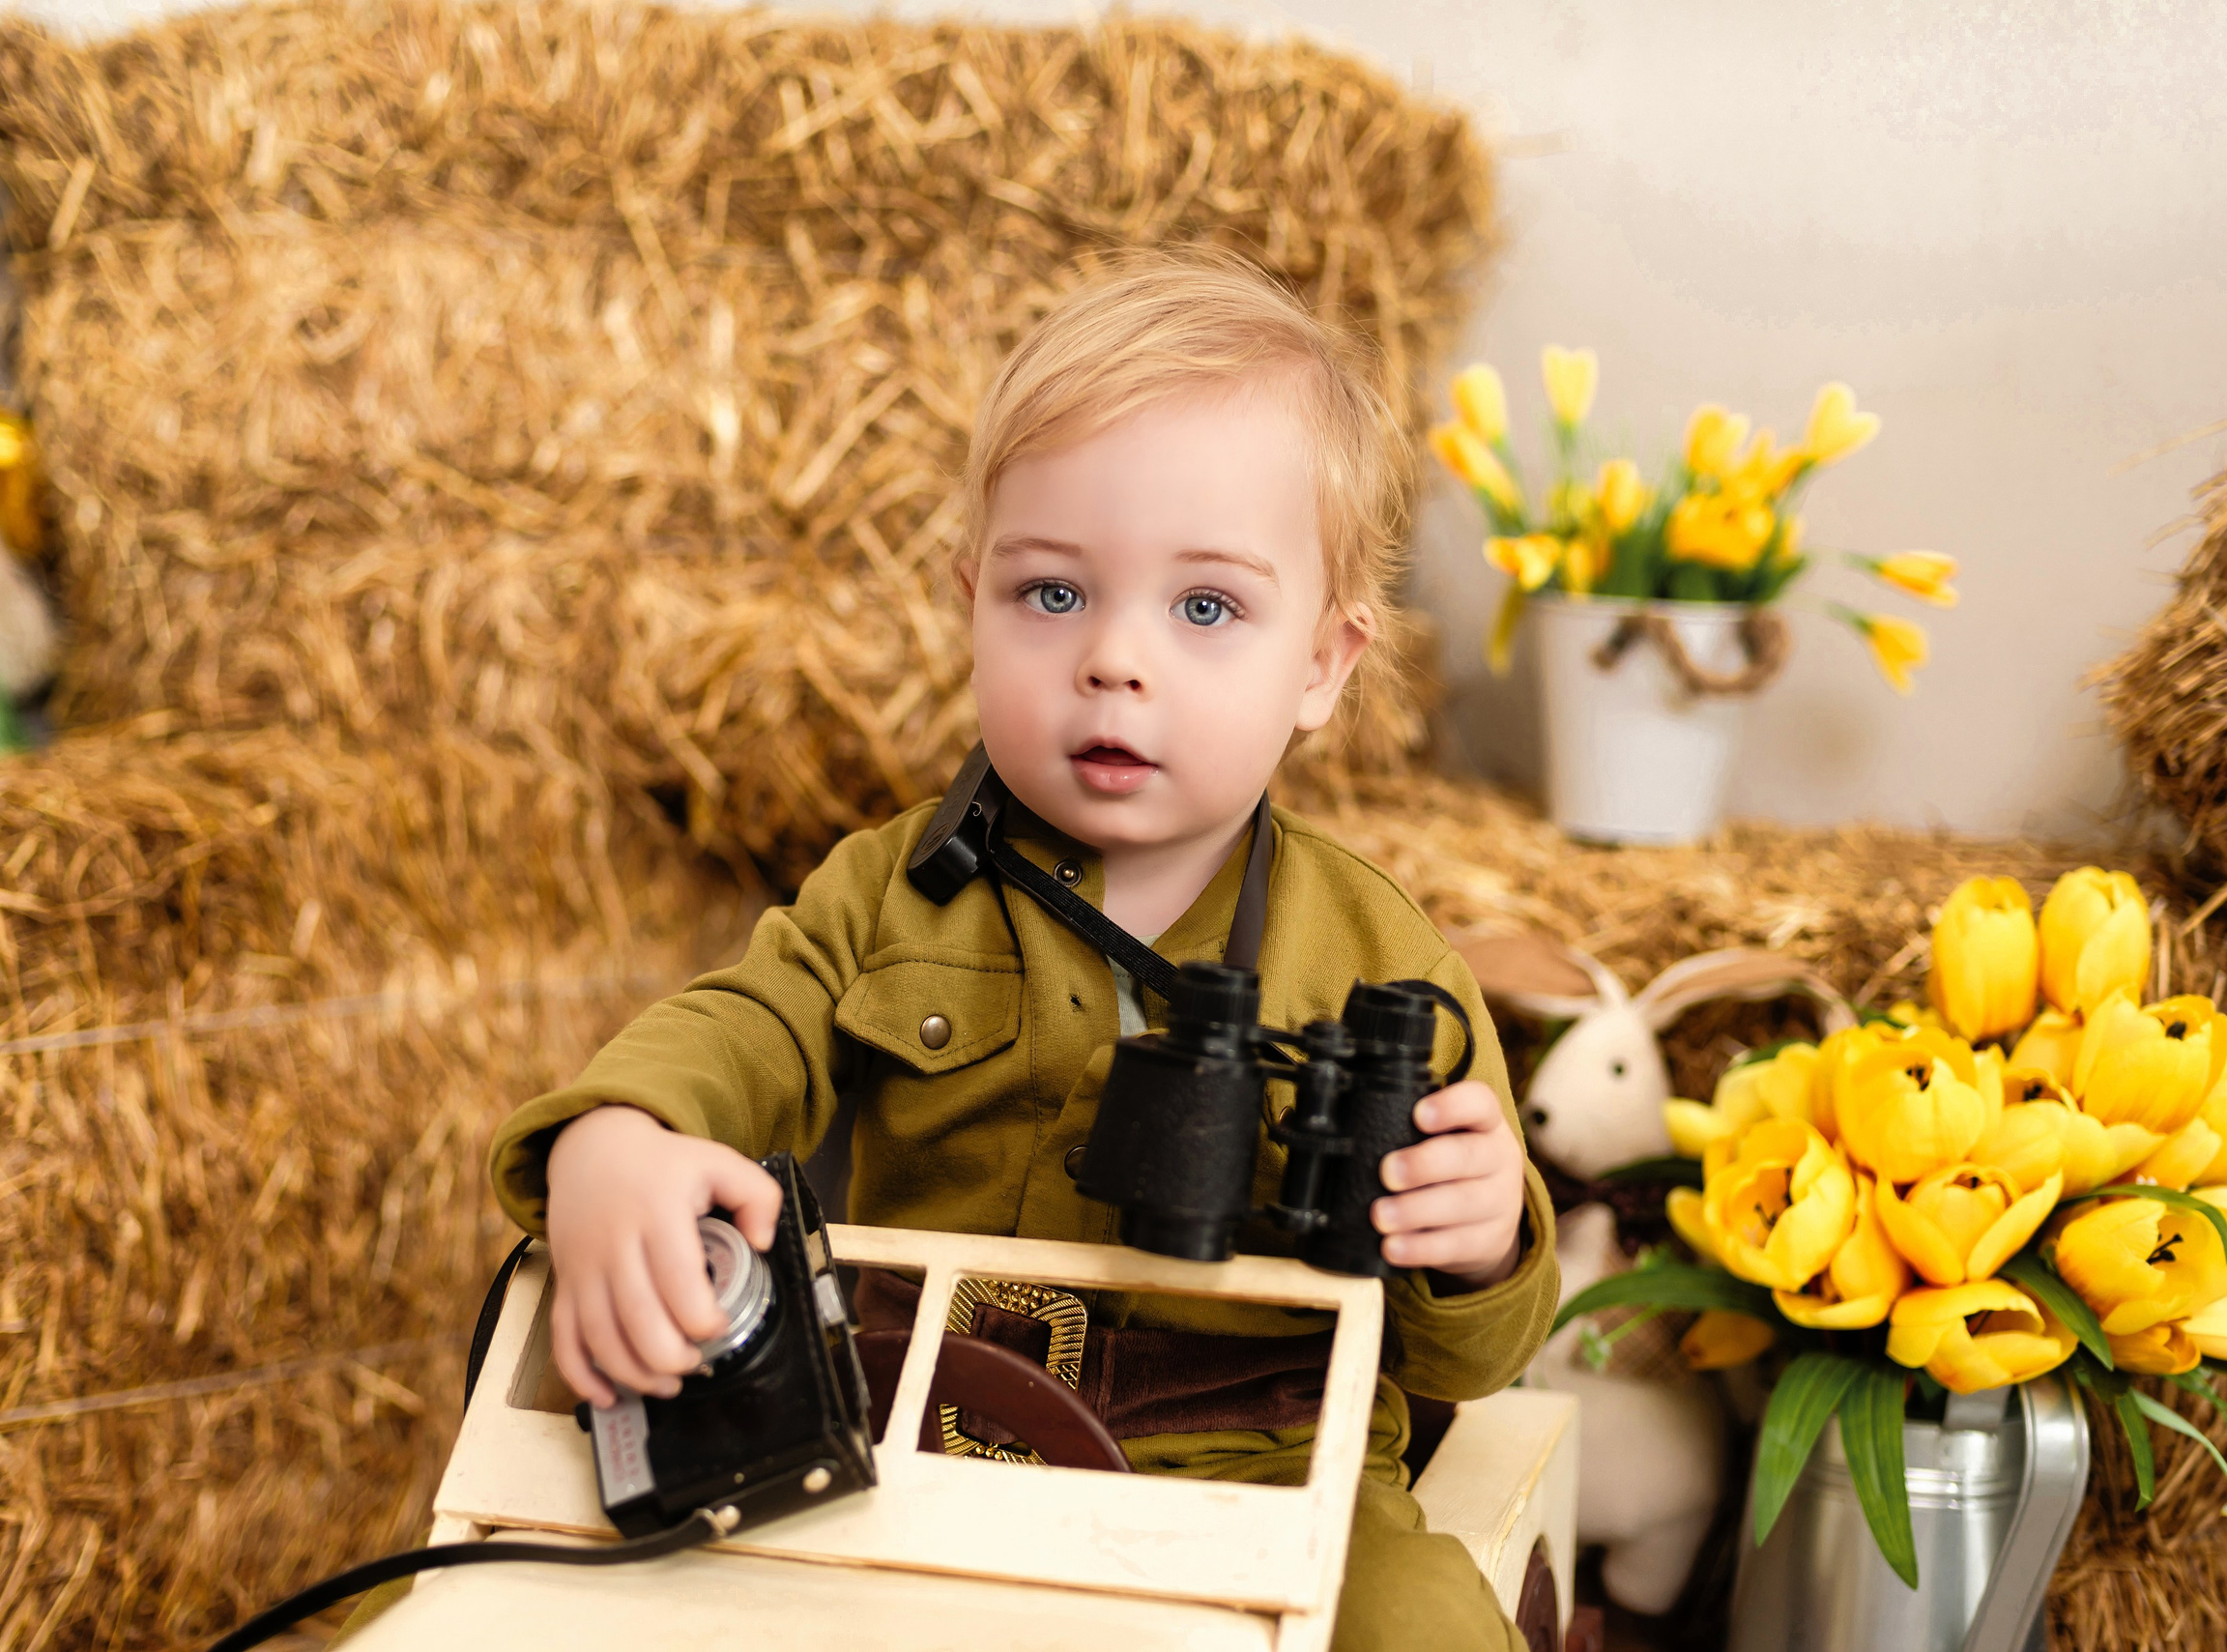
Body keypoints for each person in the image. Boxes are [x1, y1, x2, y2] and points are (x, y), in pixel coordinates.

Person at [487, 251, 1559, 1652]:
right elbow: (746, 1023)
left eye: (1206, 608)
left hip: (1249, 1460)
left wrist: (1475, 1247)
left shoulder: (1380, 964)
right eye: (1052, 595)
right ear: (970, 596)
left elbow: (1464, 1358)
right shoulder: (889, 890)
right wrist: (618, 1134)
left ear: (1323, 664)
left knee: (1422, 1626)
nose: (1116, 658)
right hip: (917, 1425)